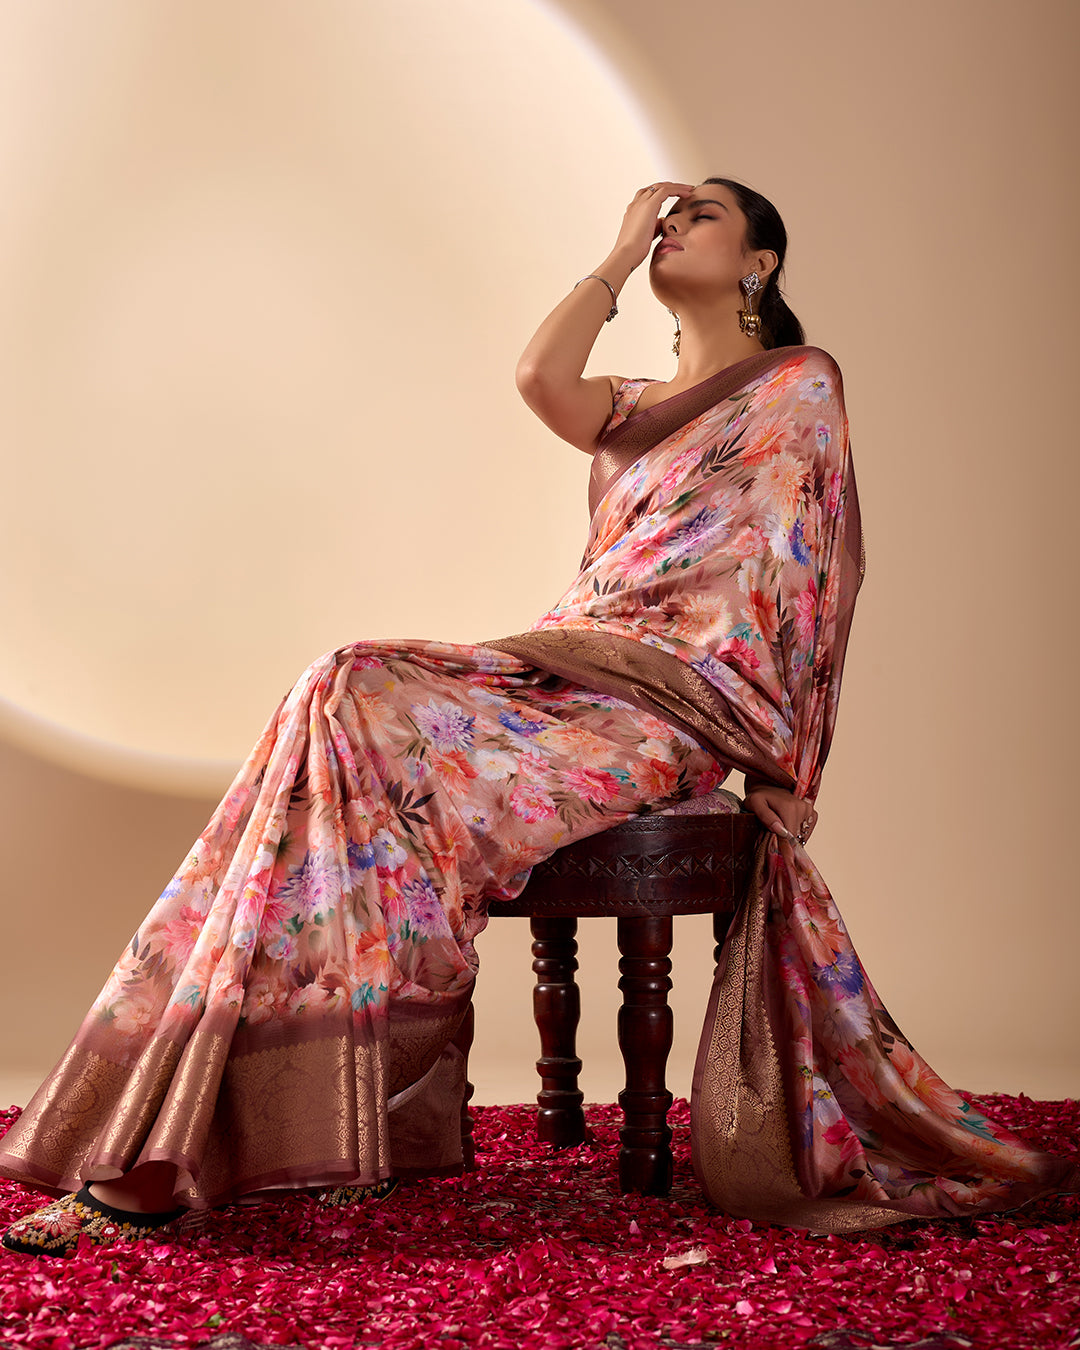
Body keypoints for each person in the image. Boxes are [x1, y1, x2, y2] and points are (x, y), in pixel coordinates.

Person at [2, 179, 1075, 1255]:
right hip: (566, 676)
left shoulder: (798, 383)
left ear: (761, 264)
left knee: (350, 691)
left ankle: (202, 1141)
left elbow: (819, 577)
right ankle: (278, 1114)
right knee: (337, 699)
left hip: (670, 707)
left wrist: (793, 766)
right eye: (668, 214)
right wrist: (620, 250)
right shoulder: (628, 405)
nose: (673, 223)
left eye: (701, 214)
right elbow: (538, 377)